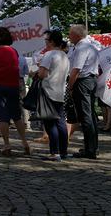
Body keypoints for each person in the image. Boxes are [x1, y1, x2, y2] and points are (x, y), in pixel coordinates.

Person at [0, 27, 31, 157]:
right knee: (16, 116)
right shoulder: (13, 51)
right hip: (13, 85)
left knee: (3, 117)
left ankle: (6, 144)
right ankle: (25, 143)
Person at [36, 30, 70, 161]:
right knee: (61, 122)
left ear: (51, 41)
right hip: (60, 92)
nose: (45, 42)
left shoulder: (49, 54)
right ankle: (64, 151)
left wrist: (37, 71)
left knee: (50, 124)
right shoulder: (64, 56)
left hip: (48, 91)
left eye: (46, 40)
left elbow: (42, 74)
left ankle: (54, 152)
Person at [67, 24, 100, 159]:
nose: (69, 36)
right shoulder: (91, 46)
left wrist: (69, 86)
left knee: (86, 116)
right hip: (90, 80)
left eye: (70, 34)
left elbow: (76, 69)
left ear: (77, 35)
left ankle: (90, 149)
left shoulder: (82, 47)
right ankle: (92, 146)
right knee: (90, 115)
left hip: (83, 82)